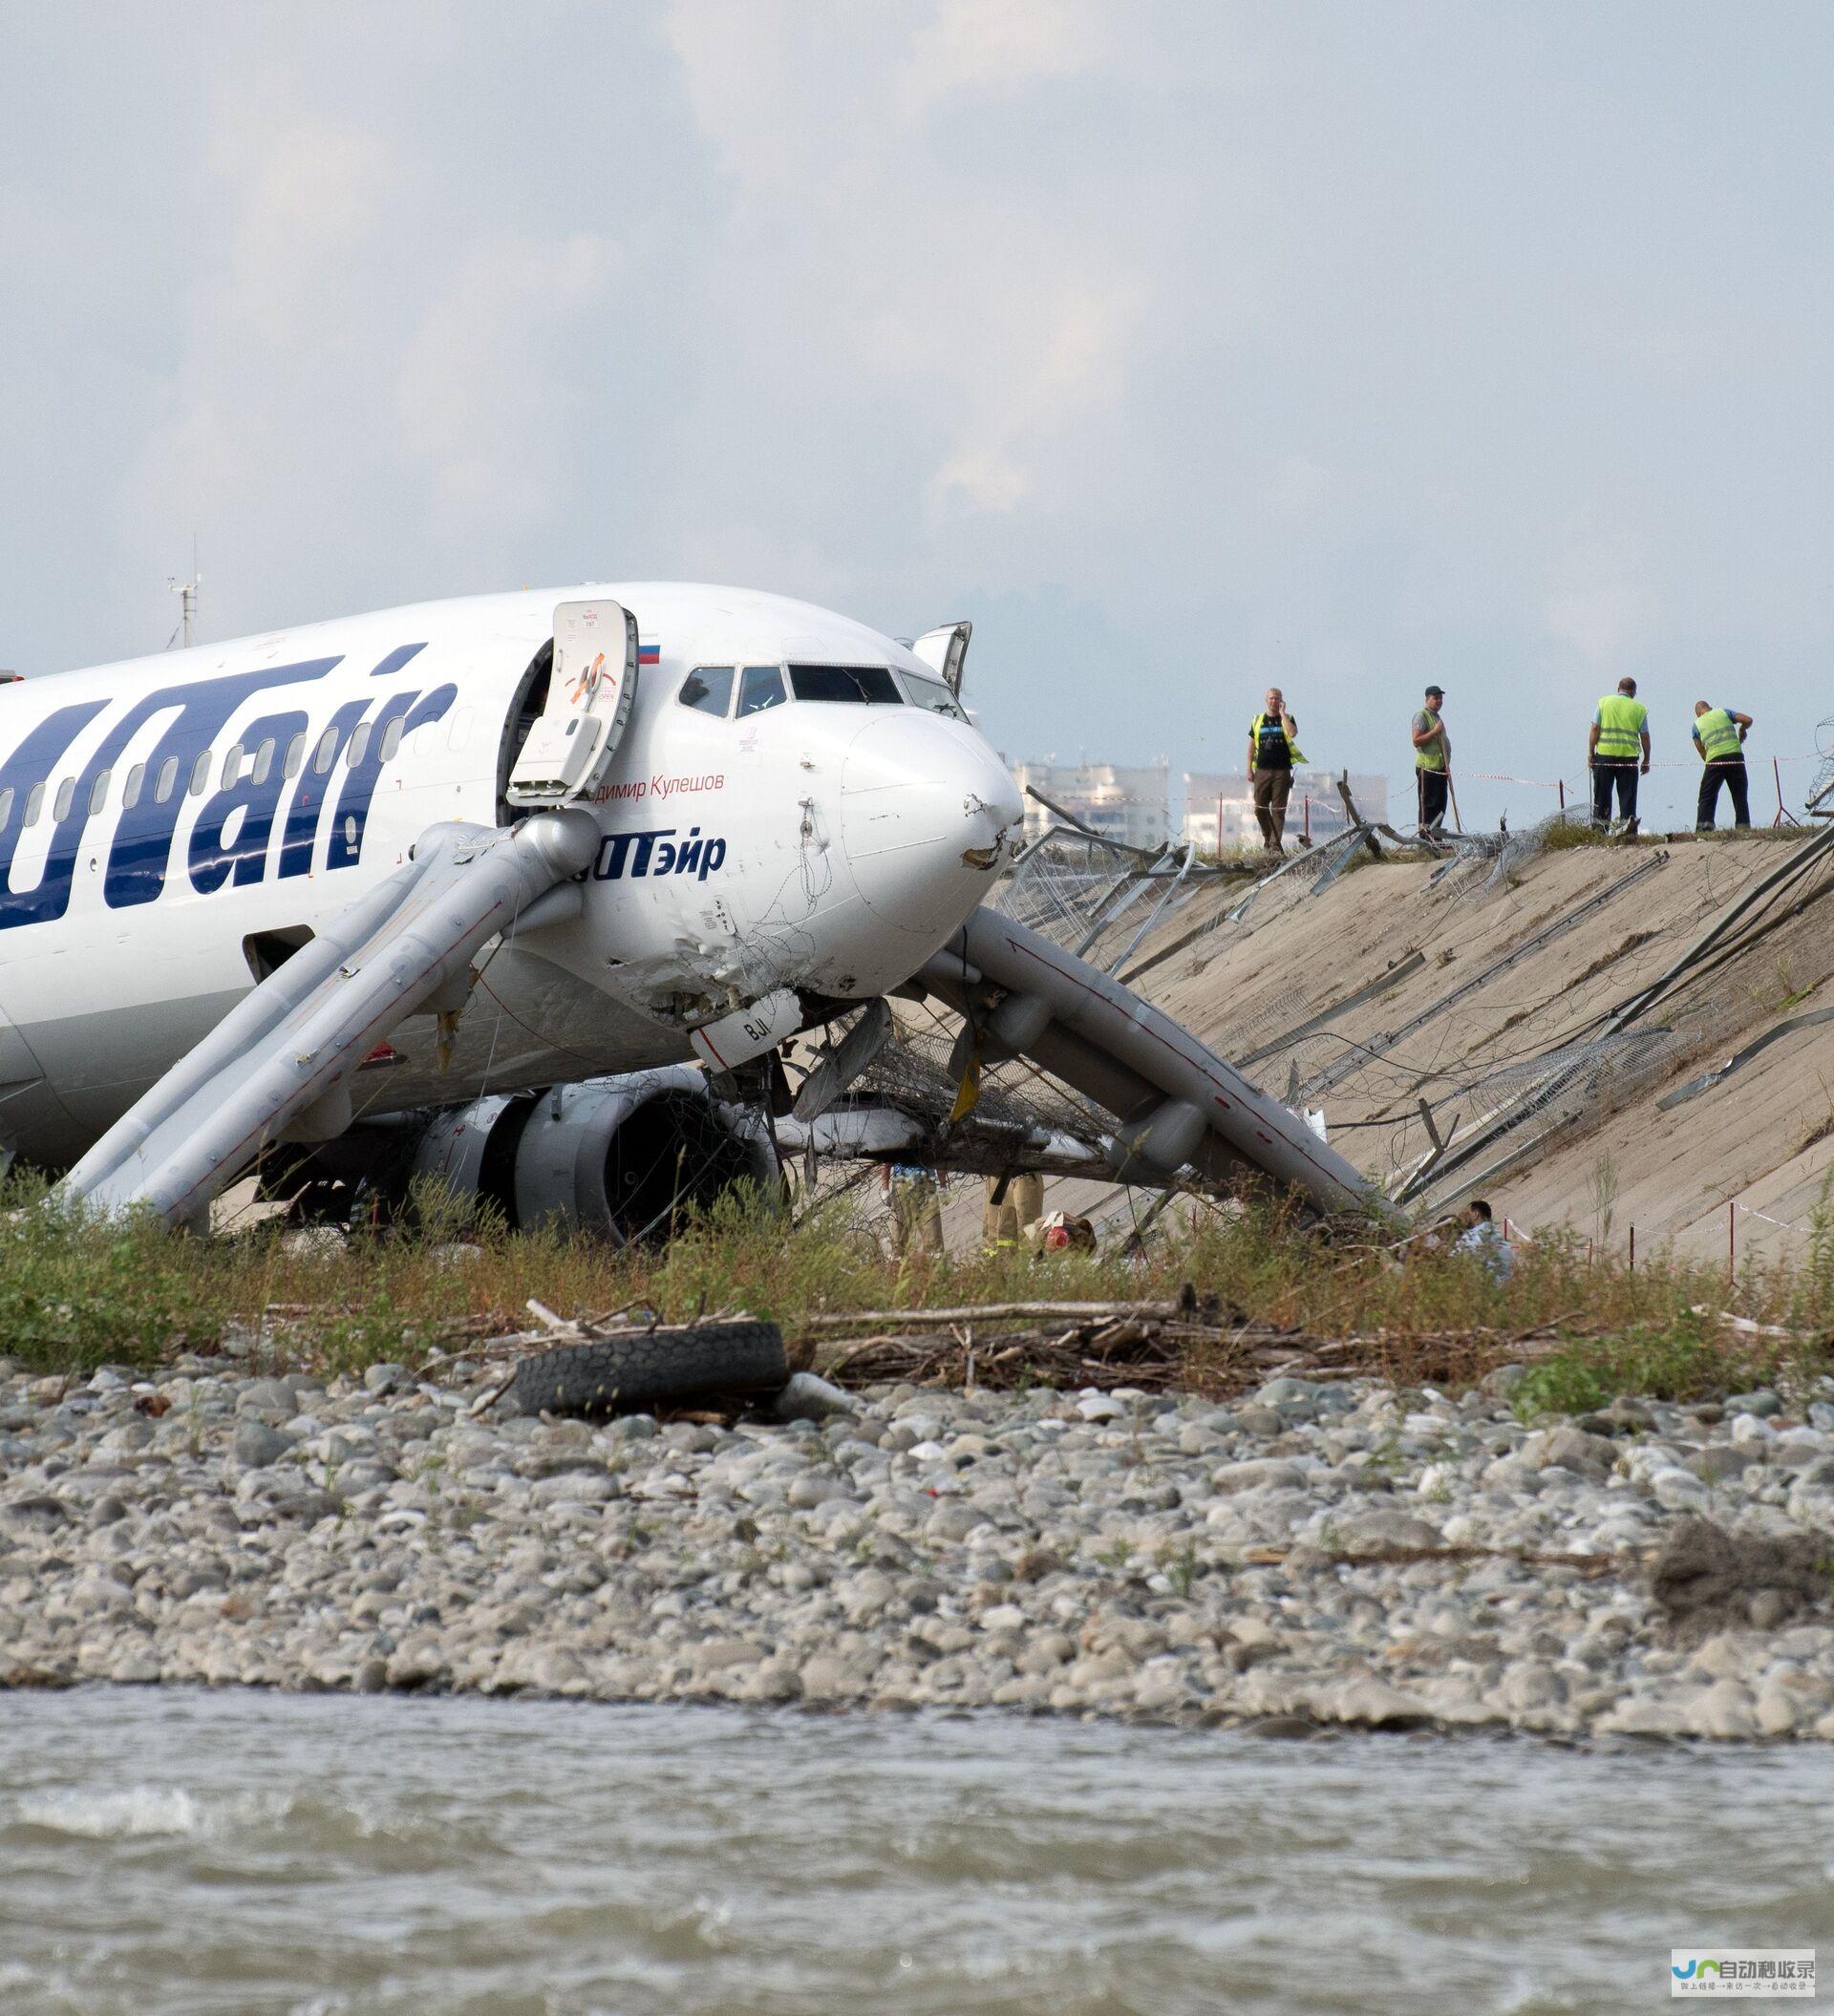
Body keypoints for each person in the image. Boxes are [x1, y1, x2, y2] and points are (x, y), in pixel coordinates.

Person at [1588, 677, 1650, 831]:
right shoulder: (1639, 709)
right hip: (1628, 760)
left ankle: (1600, 832)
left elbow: (1595, 728)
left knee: (1602, 797)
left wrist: (1590, 751)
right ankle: (1627, 832)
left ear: (1618, 689)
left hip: (1604, 757)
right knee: (1627, 798)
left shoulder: (1603, 703)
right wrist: (1646, 759)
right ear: (1634, 691)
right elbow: (1645, 736)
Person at [1247, 687, 1303, 854]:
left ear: (1281, 701)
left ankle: (1275, 847)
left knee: (1278, 810)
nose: (1274, 701)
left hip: (1282, 770)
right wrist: (1249, 768)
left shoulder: (1288, 718)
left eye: (1277, 698)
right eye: (1271, 698)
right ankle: (1268, 838)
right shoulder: (1257, 720)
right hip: (1262, 770)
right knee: (1260, 808)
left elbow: (1292, 733)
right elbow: (1250, 747)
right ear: (1266, 700)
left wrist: (1283, 714)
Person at [1692, 700, 1755, 831]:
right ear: (1709, 707)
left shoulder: (1696, 725)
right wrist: (1742, 730)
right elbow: (1748, 720)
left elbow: (1701, 751)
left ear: (1698, 713)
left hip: (1715, 760)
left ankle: (1705, 827)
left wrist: (1709, 761)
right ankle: (1743, 827)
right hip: (1735, 757)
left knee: (1707, 795)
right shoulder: (1723, 712)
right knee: (1739, 794)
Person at [882, 1160, 944, 1260]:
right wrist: (885, 1188)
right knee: (898, 1238)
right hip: (902, 1186)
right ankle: (898, 1270)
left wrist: (943, 1185)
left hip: (926, 1185)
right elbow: (887, 1157)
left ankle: (935, 1269)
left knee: (933, 1237)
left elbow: (938, 1156)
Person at [1411, 686, 1451, 831]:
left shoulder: (1436, 717)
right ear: (1427, 699)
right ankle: (1426, 837)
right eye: (1435, 698)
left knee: (1441, 804)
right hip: (1427, 767)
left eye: (1440, 698)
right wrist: (1434, 731)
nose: (1439, 701)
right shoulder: (1421, 716)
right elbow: (1416, 740)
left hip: (1440, 768)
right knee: (1429, 804)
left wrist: (1447, 765)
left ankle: (1436, 835)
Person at [1455, 1199, 1514, 1283]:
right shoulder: (1491, 1231)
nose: (1463, 1217)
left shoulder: (1483, 1230)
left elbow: (1466, 1249)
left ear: (1476, 1214)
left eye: (1466, 1214)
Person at [982, 1171, 1044, 1250]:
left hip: (1024, 1176)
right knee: (1002, 1234)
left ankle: (1030, 1257)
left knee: (1027, 1230)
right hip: (1000, 1176)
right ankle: (1007, 1259)